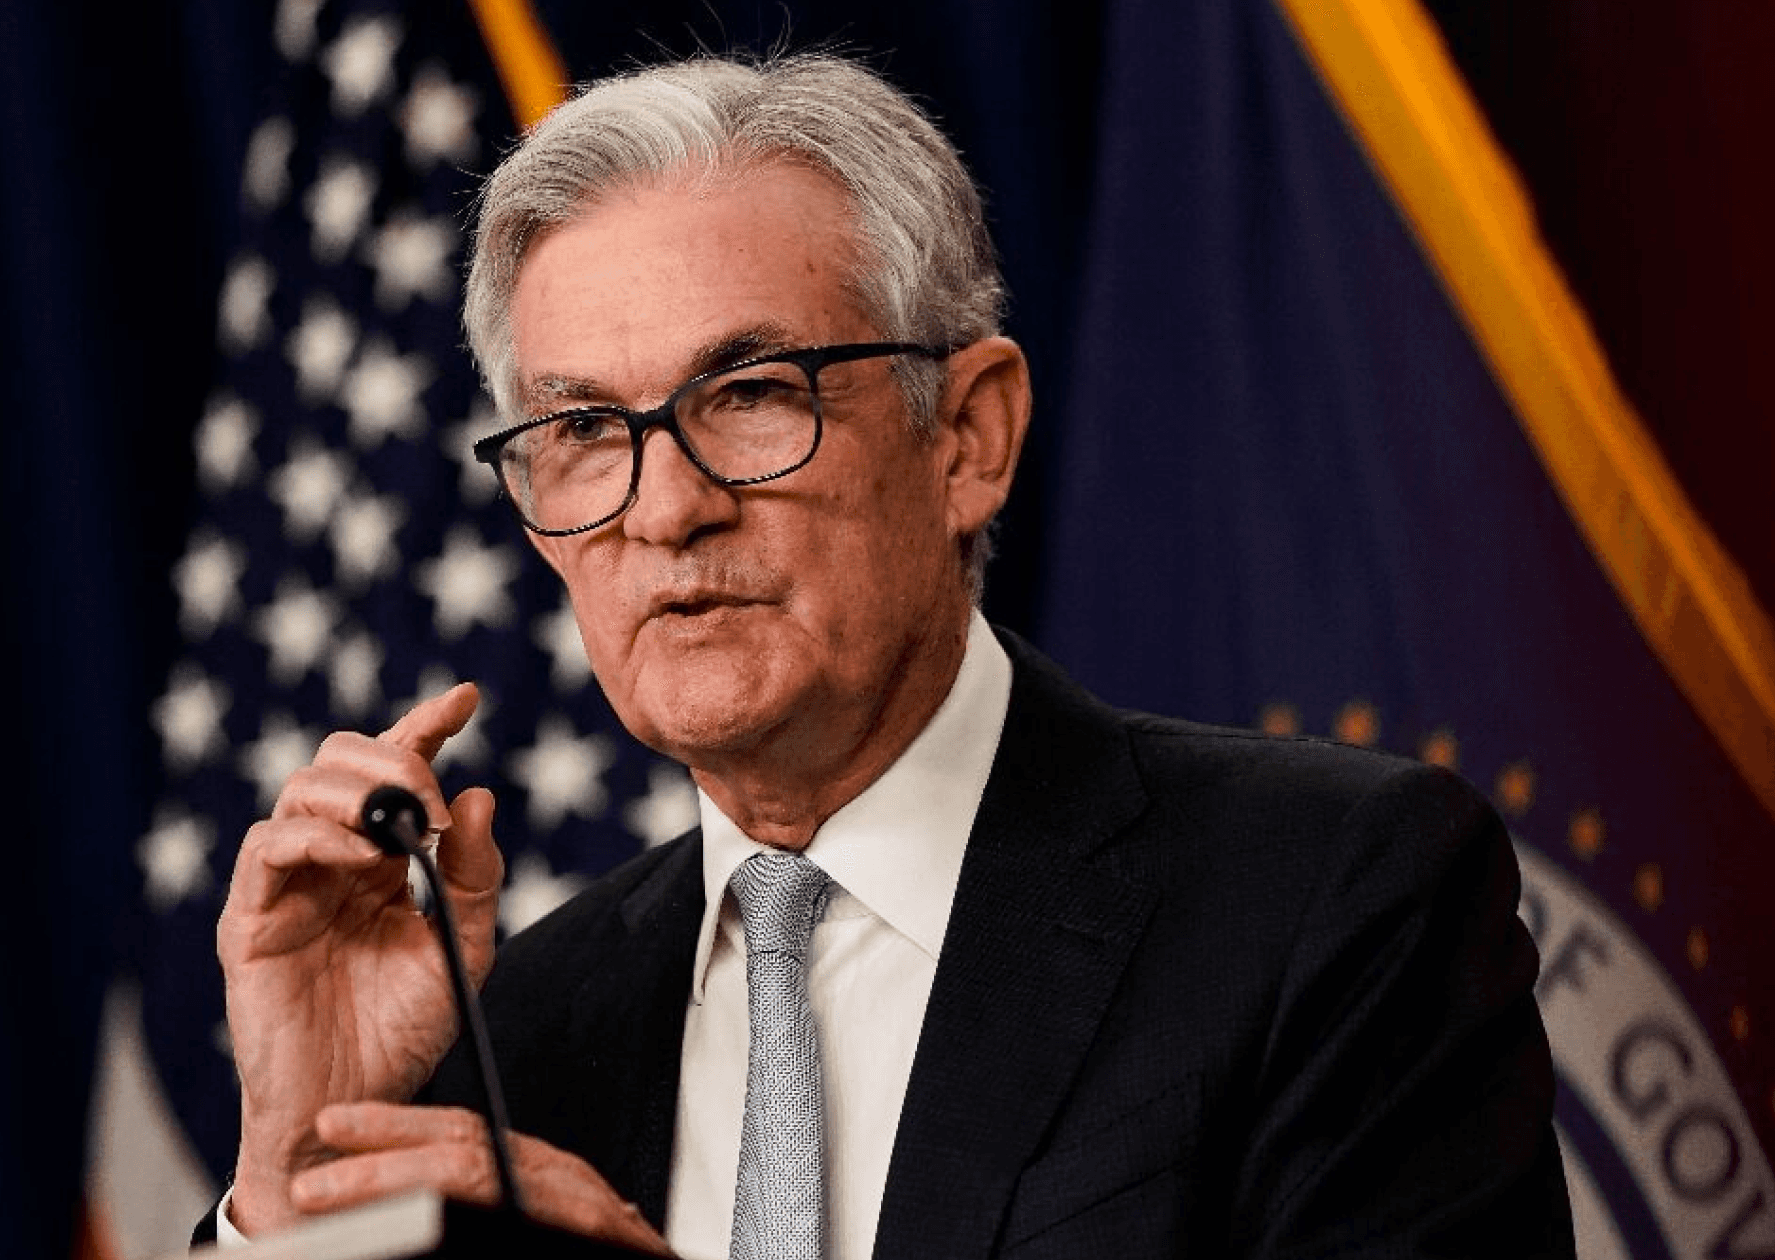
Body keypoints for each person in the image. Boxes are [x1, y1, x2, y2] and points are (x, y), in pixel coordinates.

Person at [207, 53, 1573, 1259]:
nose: (665, 508)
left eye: (751, 394)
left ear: (968, 437)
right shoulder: (512, 1033)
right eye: (582, 432)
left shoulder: (1330, 901)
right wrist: (291, 1179)